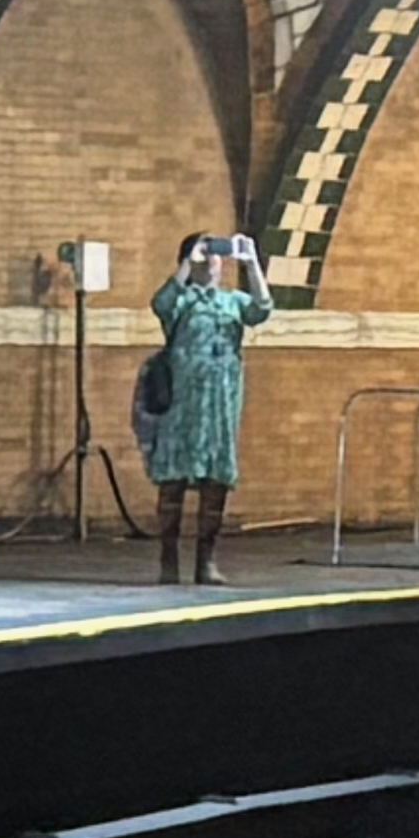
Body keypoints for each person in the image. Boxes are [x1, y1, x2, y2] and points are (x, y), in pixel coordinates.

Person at [144, 230, 268, 585]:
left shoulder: (232, 302)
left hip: (220, 404)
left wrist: (252, 261)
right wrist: (188, 261)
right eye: (207, 254)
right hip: (183, 406)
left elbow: (262, 308)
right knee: (173, 481)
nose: (214, 260)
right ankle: (168, 559)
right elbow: (161, 303)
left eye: (217, 255)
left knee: (215, 482)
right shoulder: (182, 302)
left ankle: (206, 561)